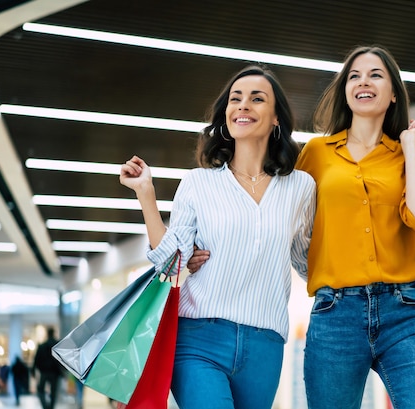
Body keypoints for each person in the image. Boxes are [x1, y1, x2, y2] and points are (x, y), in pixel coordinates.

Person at [189, 45, 415, 409]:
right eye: (354, 76)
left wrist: (407, 144)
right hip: (335, 314)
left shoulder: (406, 155)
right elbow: (271, 212)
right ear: (344, 90)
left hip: (404, 310)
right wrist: (205, 251)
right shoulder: (316, 154)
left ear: (392, 94)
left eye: (376, 75)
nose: (363, 82)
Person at [119, 65, 315, 409]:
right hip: (199, 338)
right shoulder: (198, 182)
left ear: (276, 119)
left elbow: (306, 261)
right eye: (235, 99)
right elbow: (171, 263)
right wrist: (145, 194)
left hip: (265, 344)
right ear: (225, 116)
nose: (243, 105)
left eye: (257, 99)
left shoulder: (301, 187)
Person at [33, 327, 62, 409]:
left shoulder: (42, 346)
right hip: (55, 373)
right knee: (53, 392)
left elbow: (36, 360)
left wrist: (37, 369)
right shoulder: (57, 345)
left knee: (40, 390)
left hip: (44, 372)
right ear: (53, 333)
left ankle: (45, 406)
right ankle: (51, 407)